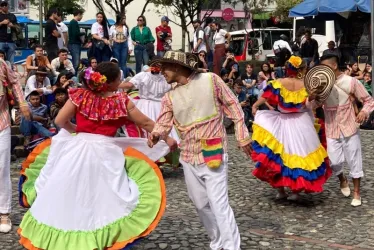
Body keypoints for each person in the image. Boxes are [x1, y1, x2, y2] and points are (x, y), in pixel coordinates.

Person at [18, 62, 177, 249]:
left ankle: (64, 232)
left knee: (68, 191)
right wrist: (167, 138)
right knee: (101, 195)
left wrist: (77, 130)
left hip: (76, 149)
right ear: (112, 82)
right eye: (119, 78)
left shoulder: (80, 96)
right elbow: (146, 123)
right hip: (105, 151)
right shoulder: (121, 101)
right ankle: (95, 234)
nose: (122, 80)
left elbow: (60, 120)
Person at [148, 51, 251, 250]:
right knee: (200, 204)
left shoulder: (211, 80)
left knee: (219, 204)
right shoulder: (169, 96)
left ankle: (231, 247)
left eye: (165, 68)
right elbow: (163, 122)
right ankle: (217, 241)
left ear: (177, 66)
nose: (161, 72)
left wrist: (241, 134)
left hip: (213, 151)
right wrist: (155, 134)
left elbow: (233, 106)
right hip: (187, 155)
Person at [251, 56, 331, 200]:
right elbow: (310, 103)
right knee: (299, 155)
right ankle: (295, 191)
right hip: (301, 123)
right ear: (300, 70)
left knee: (278, 156)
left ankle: (281, 191)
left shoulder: (279, 83)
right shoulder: (306, 86)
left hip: (282, 122)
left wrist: (255, 105)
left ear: (287, 68)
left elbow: (267, 96)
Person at [313, 54, 374, 206]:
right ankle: (342, 179)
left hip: (349, 126)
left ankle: (356, 193)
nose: (322, 70)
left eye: (325, 67)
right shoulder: (322, 85)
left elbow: (368, 100)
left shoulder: (351, 82)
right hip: (331, 127)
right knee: (334, 162)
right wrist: (311, 98)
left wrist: (363, 112)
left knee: (354, 159)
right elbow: (313, 106)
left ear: (334, 66)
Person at [0, 58, 31, 233]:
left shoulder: (1, 64)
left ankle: (4, 212)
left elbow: (14, 82)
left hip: (1, 121)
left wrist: (23, 104)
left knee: (2, 167)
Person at [68, 9, 85, 73]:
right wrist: (83, 33)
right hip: (74, 44)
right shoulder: (74, 22)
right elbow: (76, 33)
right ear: (78, 15)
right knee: (76, 62)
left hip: (73, 44)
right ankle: (74, 75)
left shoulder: (72, 22)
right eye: (81, 15)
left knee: (76, 61)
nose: (82, 17)